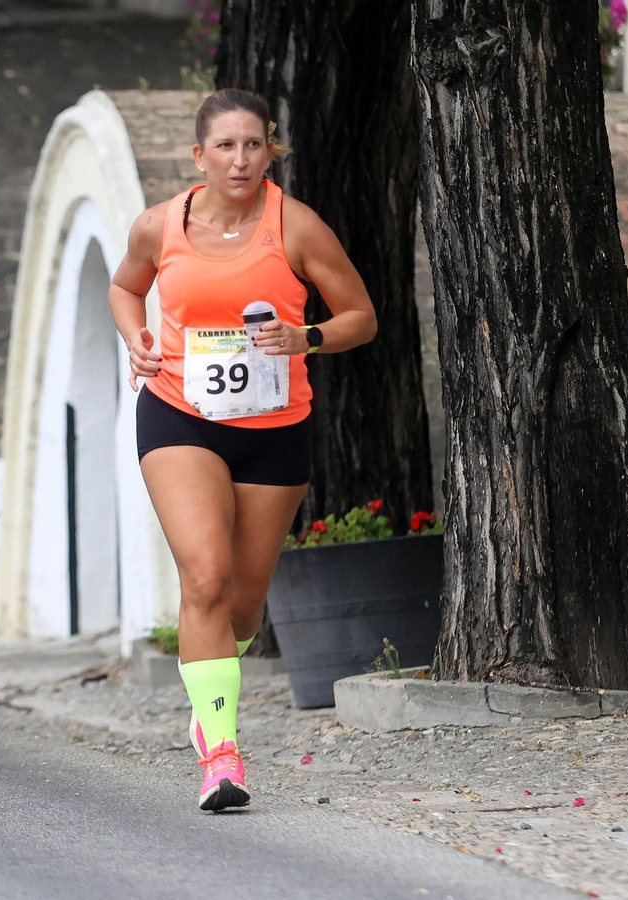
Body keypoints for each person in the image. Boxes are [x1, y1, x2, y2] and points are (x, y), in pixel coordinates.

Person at [106, 89, 377, 812]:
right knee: (206, 578)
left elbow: (361, 317)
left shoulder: (298, 228)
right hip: (179, 417)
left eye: (253, 144)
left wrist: (306, 337)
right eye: (225, 146)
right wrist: (137, 337)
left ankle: (209, 693)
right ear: (200, 156)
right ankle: (221, 755)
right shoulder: (160, 225)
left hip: (275, 428)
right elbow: (125, 289)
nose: (240, 158)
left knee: (244, 608)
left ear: (271, 150)